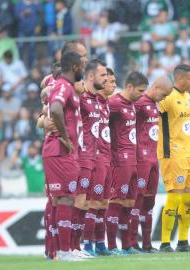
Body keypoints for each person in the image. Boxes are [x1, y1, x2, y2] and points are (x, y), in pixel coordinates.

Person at [42, 51, 86, 261]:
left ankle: (61, 251)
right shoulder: (64, 85)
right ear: (75, 67)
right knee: (66, 198)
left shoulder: (65, 87)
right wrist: (66, 137)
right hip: (60, 151)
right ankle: (65, 251)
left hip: (59, 151)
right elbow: (56, 108)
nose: (84, 69)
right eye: (83, 65)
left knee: (62, 199)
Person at [158, 64, 190, 252]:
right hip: (173, 154)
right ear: (180, 78)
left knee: (189, 199)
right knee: (175, 198)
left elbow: (189, 127)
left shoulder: (188, 97)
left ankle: (183, 241)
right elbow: (151, 115)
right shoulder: (167, 98)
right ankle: (165, 242)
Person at [105, 71, 148, 254]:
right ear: (129, 86)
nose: (142, 94)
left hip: (133, 161)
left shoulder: (132, 104)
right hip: (119, 162)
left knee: (129, 204)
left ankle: (127, 245)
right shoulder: (113, 103)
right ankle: (111, 246)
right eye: (140, 90)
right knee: (116, 202)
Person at [129, 76, 173, 252]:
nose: (163, 99)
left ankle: (147, 244)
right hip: (141, 159)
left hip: (153, 159)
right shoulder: (138, 103)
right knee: (137, 200)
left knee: (149, 202)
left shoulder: (153, 104)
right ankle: (131, 243)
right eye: (163, 95)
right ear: (155, 88)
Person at [82, 67, 116, 256]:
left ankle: (100, 244)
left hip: (106, 157)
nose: (111, 84)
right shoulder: (87, 99)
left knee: (104, 204)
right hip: (93, 157)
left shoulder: (104, 103)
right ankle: (87, 245)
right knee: (92, 204)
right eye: (108, 80)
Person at [75, 59, 107, 255]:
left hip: (96, 157)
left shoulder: (98, 101)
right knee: (80, 203)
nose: (106, 78)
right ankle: (73, 246)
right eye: (103, 75)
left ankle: (87, 245)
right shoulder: (80, 98)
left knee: (92, 203)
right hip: (82, 158)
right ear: (90, 76)